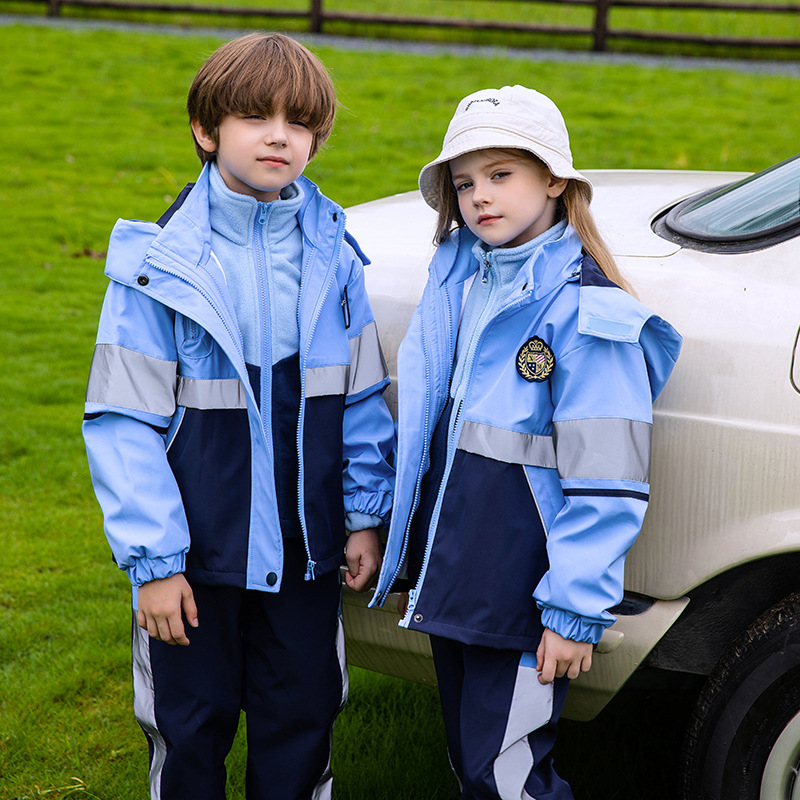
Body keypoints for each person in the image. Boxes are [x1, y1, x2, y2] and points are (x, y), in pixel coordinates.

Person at [82, 32, 395, 800]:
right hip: (195, 564)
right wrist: (155, 564)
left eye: (300, 122)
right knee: (189, 731)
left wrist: (363, 515)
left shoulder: (336, 259)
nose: (280, 136)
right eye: (257, 117)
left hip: (307, 556)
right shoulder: (156, 267)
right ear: (206, 129)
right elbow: (123, 423)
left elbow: (359, 399)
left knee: (302, 722)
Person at [370, 85, 682, 799]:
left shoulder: (589, 317)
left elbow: (609, 482)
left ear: (554, 181)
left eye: (501, 174)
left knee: (507, 778)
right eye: (463, 183)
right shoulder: (461, 281)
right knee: (473, 767)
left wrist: (572, 610)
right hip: (459, 578)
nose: (480, 196)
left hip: (524, 595)